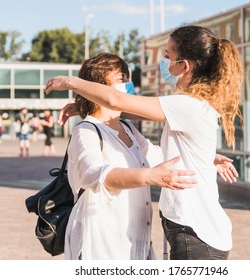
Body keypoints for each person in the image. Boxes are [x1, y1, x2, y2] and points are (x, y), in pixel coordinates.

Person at [45, 25, 243, 260]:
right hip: (190, 232)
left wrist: (70, 82)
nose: (164, 64)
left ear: (184, 66)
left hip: (196, 233)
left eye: (168, 57)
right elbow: (131, 120)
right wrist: (86, 106)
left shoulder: (187, 105)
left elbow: (116, 100)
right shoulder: (188, 106)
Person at [63, 52, 197, 260]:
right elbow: (96, 175)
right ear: (98, 87)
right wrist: (150, 177)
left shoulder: (128, 128)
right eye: (121, 79)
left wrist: (205, 157)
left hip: (137, 246)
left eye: (127, 77)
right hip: (102, 248)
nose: (128, 84)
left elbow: (158, 156)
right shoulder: (87, 131)